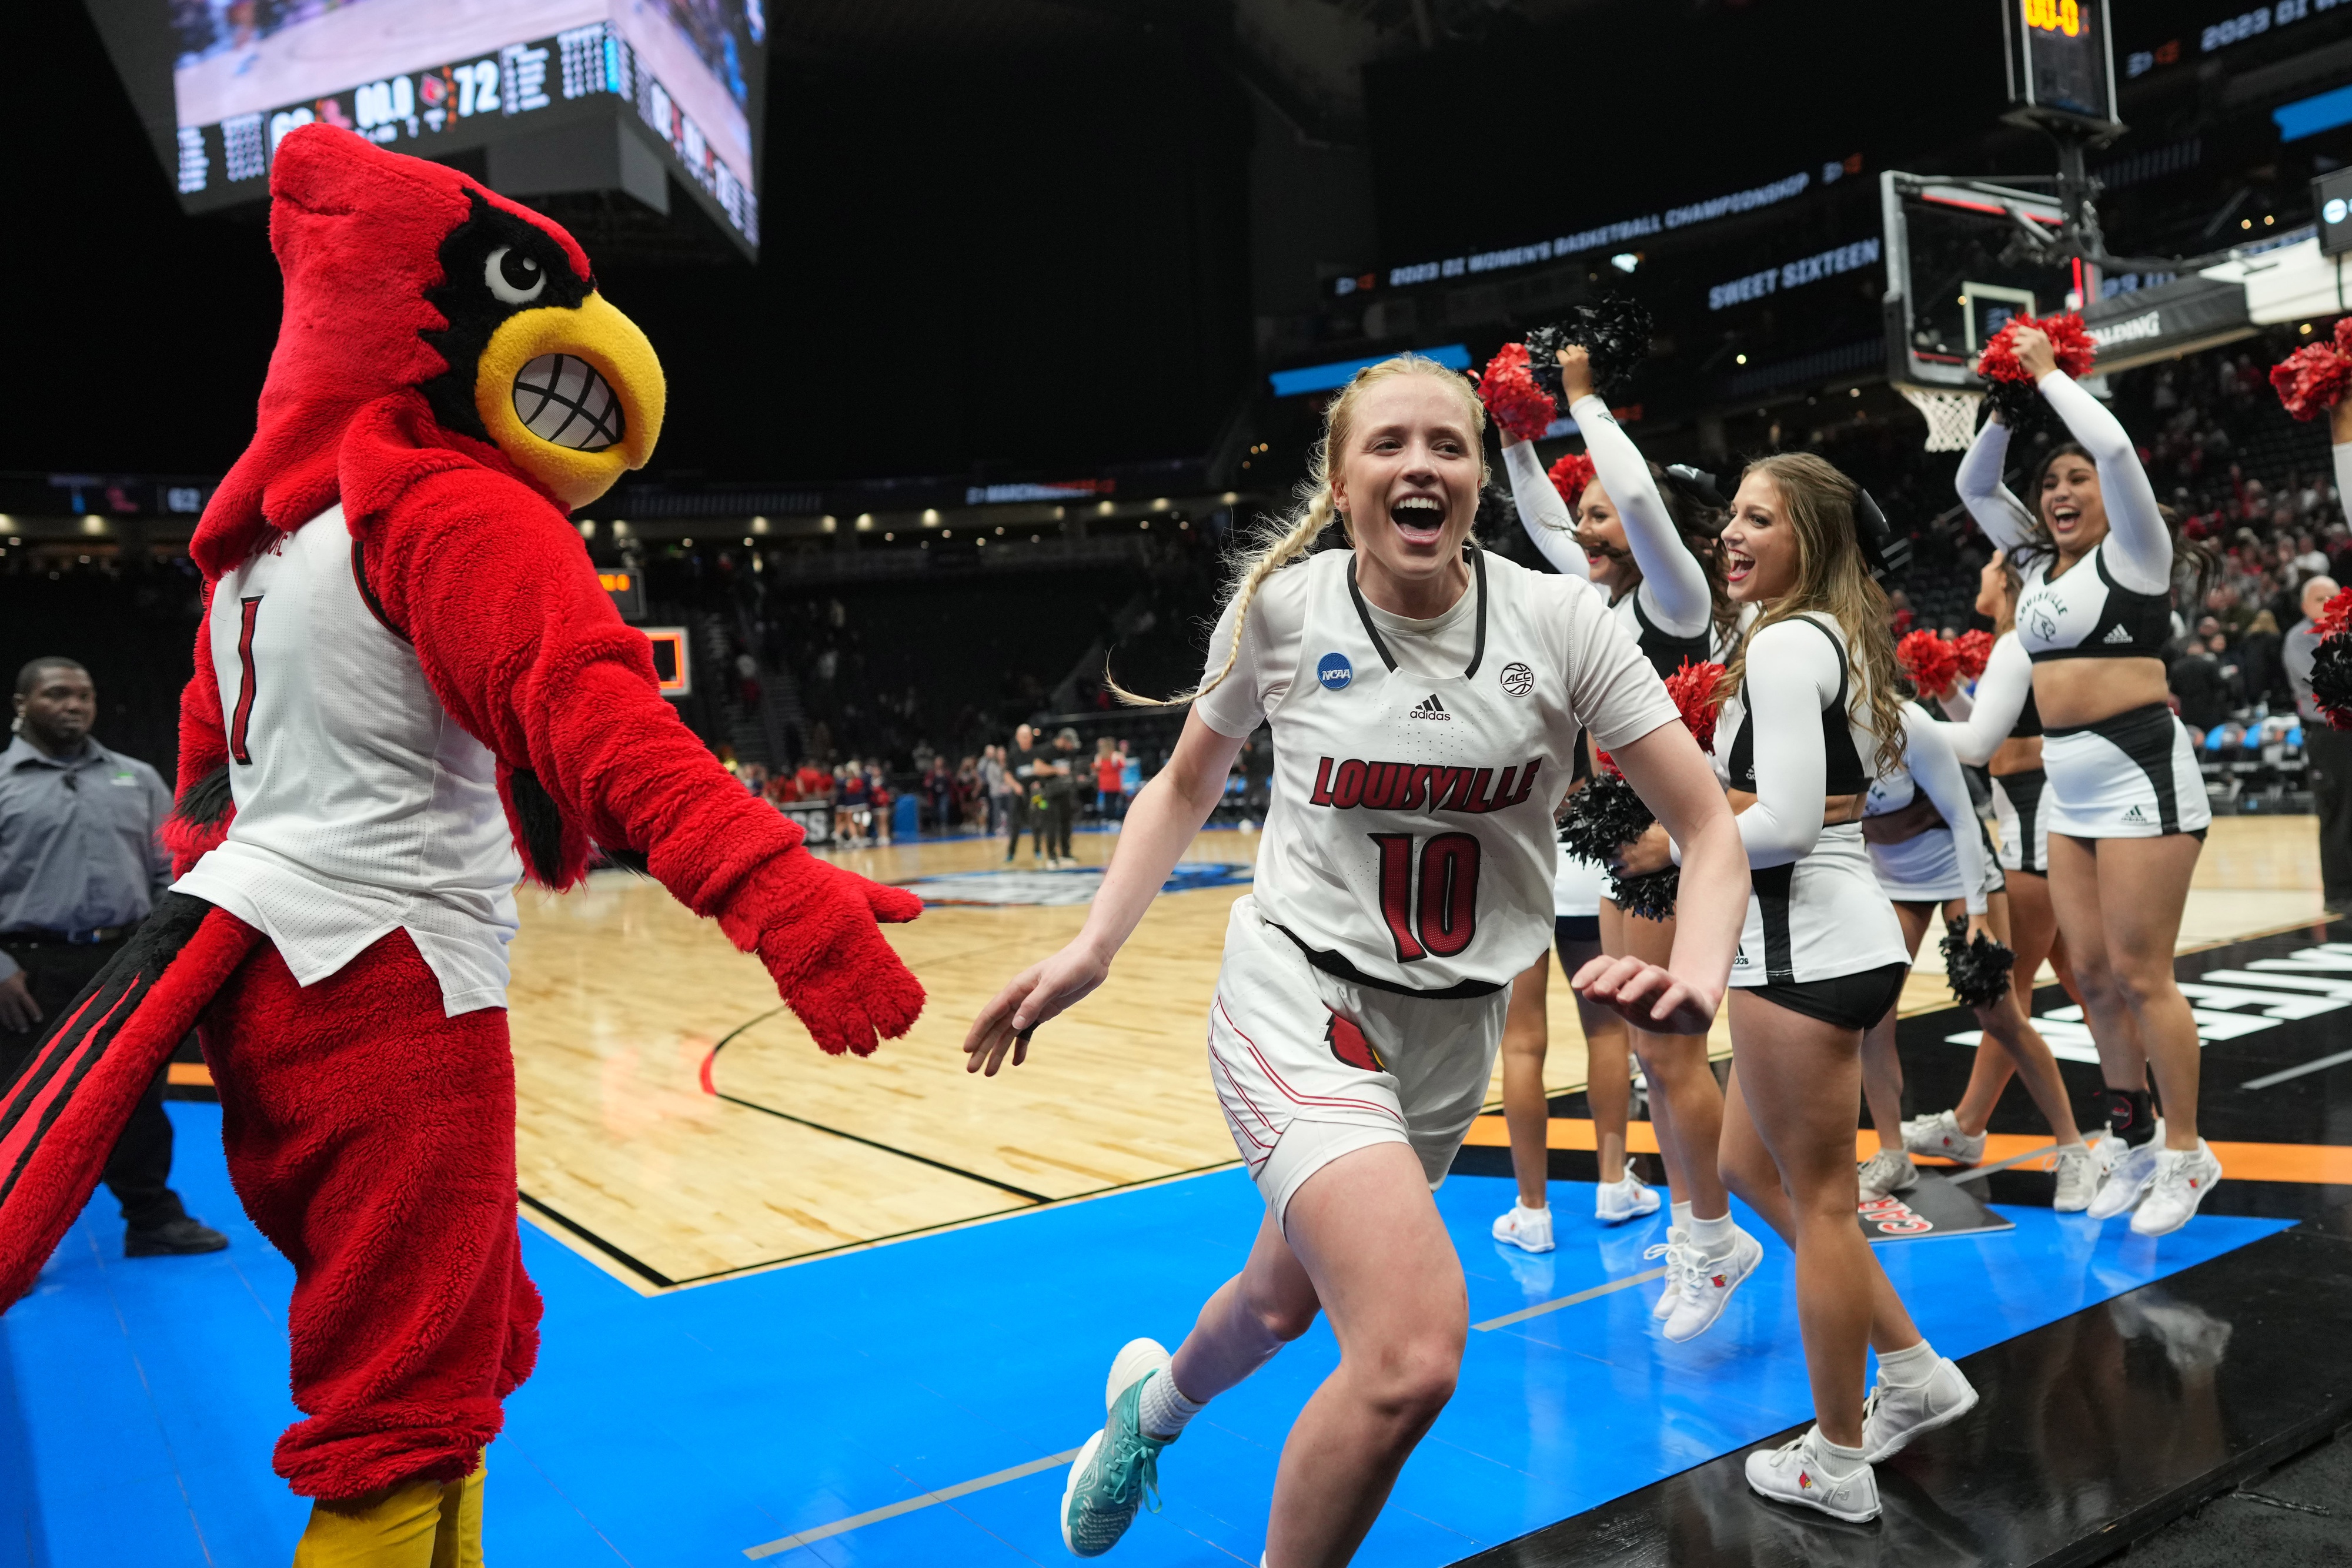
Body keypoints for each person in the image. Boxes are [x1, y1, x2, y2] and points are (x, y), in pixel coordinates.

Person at [961, 355, 1746, 1565]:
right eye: (1388, 444)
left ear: (1480, 474)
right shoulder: (1284, 612)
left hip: (1447, 1036)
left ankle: (1148, 1413)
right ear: (1339, 480)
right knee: (1411, 1352)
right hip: (1297, 996)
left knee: (1281, 1301)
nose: (1419, 463)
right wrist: (1093, 946)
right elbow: (1182, 785)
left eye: (1447, 442)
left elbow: (1705, 827)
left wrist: (1695, 974)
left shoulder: (1562, 624)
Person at [1675, 452, 1977, 1523]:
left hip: (1801, 944)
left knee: (1824, 1205)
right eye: (1733, 515)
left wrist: (1676, 845)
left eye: (1762, 518)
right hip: (1836, 933)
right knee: (1745, 1165)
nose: (1734, 533)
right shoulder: (1825, 634)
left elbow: (1790, 819)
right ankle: (1913, 1369)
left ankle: (1839, 1461)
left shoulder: (1787, 644)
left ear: (1813, 537)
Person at [1498, 344, 1752, 1338]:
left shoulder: (1678, 602)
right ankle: (1701, 1223)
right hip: (1623, 846)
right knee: (1654, 1053)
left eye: (1600, 514)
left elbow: (1637, 502)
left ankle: (1712, 1236)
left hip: (1680, 845)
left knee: (1675, 1056)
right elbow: (1543, 520)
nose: (1586, 527)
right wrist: (1522, 434)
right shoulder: (1603, 602)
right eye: (1586, 515)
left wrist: (1584, 402)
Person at [1957, 326, 2221, 1235]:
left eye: (2075, 481)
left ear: (2110, 496)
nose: (2061, 490)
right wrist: (2003, 405)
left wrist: (2048, 375)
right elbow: (1972, 485)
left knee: (2147, 974)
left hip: (2141, 766)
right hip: (2067, 784)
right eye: (2051, 482)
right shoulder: (2035, 566)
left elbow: (2110, 443)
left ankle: (2188, 1149)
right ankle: (2133, 1134)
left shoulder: (2138, 553)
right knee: (2097, 979)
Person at [0, 658, 229, 1258]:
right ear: (24, 703)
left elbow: (167, 871)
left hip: (125, 959)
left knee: (136, 1098)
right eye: (57, 694)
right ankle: (11, 1233)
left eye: (85, 694)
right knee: (20, 1104)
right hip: (25, 971)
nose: (74, 705)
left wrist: (162, 949)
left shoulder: (137, 777)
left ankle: (151, 1219)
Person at [1852, 701, 2092, 1206]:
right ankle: (1892, 1153)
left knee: (2000, 1015)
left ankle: (2073, 1150)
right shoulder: (1814, 726)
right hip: (1893, 882)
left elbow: (1964, 819)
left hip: (1964, 875)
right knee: (1875, 1018)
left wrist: (1979, 915)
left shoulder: (1910, 723)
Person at [1912, 552, 2089, 1158]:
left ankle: (1966, 1127)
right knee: (2078, 979)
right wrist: (1946, 690)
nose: (1981, 571)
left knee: (2008, 986)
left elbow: (1984, 743)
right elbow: (1988, 741)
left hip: (2036, 819)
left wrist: (1891, 725)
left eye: (1990, 564)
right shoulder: (2011, 643)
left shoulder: (2020, 642)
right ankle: (2137, 1111)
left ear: (2009, 580)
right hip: (2023, 811)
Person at [1491, 765, 1648, 1251]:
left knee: (1521, 1047)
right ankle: (1614, 1184)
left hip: (1519, 868)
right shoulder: (1583, 685)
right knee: (1606, 1032)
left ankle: (1532, 1211)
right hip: (1585, 863)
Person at [2285, 573, 2352, 913]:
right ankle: (2340, 894)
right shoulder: (2300, 639)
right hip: (2330, 735)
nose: (2329, 603)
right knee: (2338, 813)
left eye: (2333, 596)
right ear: (2304, 607)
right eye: (2319, 599)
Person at [1005, 725, 1051, 864]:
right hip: (1019, 794)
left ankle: (1037, 850)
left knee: (1037, 821)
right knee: (1015, 824)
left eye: (1028, 736)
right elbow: (1007, 774)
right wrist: (1015, 786)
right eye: (1022, 736)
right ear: (1017, 738)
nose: (1025, 739)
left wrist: (1039, 783)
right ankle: (1011, 853)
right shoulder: (1013, 754)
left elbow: (1043, 771)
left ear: (1031, 737)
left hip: (1035, 795)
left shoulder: (1037, 753)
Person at [1045, 727, 1083, 862]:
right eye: (1070, 743)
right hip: (1050, 794)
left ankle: (1066, 853)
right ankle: (1052, 855)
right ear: (1063, 740)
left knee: (1066, 823)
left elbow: (1070, 770)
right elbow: (1038, 768)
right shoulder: (1047, 750)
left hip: (1066, 793)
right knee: (1052, 825)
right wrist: (1056, 770)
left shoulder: (1069, 753)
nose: (1071, 747)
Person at [1094, 736, 1126, 821]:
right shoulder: (1115, 756)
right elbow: (1122, 766)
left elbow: (1096, 769)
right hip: (1114, 783)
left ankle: (1108, 817)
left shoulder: (1099, 757)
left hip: (1105, 783)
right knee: (1113, 801)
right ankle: (1112, 818)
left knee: (1108, 801)